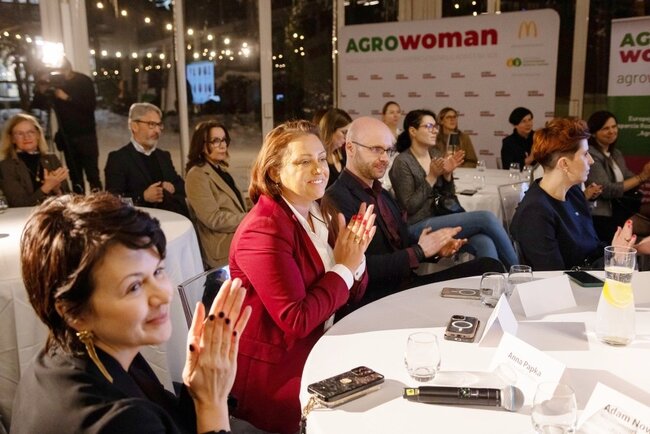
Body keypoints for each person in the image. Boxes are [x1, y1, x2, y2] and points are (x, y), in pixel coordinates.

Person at [11, 193, 252, 434]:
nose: (163, 295)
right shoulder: (115, 420)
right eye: (134, 286)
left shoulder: (71, 351)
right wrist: (212, 402)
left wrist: (198, 391)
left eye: (158, 271)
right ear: (74, 313)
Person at [228, 120, 375, 433]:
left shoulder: (319, 210)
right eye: (303, 162)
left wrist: (355, 259)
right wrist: (344, 267)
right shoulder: (264, 228)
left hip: (324, 343)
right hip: (280, 371)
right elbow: (297, 319)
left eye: (321, 158)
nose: (319, 169)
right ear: (274, 172)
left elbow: (351, 292)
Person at [322, 116, 505, 304]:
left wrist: (434, 248)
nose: (384, 158)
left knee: (489, 266)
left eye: (388, 150)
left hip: (407, 284)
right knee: (489, 267)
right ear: (350, 148)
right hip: (382, 297)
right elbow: (360, 268)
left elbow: (399, 242)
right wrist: (420, 251)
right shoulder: (337, 198)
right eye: (376, 149)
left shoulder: (381, 193)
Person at [511, 117, 647, 271]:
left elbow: (592, 247)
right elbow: (554, 277)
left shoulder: (573, 193)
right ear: (564, 164)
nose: (591, 161)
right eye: (585, 154)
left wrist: (626, 249)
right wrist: (614, 257)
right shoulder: (536, 213)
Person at [389, 109, 518, 268]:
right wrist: (431, 177)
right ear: (413, 131)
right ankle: (519, 271)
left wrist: (447, 176)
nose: (434, 130)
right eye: (428, 126)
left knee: (484, 241)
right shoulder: (403, 162)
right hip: (417, 225)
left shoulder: (435, 153)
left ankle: (492, 281)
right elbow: (409, 206)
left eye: (435, 126)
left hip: (441, 217)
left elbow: (448, 197)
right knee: (487, 218)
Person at [31, 58, 102, 193]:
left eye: (60, 72)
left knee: (93, 175)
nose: (59, 76)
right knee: (75, 177)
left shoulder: (83, 81)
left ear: (68, 69)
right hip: (67, 137)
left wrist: (67, 98)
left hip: (86, 136)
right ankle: (78, 203)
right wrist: (41, 88)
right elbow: (37, 106)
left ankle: (99, 202)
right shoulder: (53, 84)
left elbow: (90, 106)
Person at [105, 103, 188, 217]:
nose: (157, 130)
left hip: (170, 220)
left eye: (159, 125)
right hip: (138, 223)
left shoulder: (163, 156)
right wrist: (143, 196)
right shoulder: (118, 159)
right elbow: (112, 202)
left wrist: (172, 188)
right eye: (151, 124)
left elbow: (183, 187)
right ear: (134, 126)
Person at [185, 121, 247, 268]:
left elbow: (235, 204)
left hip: (238, 237)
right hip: (222, 248)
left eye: (224, 140)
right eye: (216, 141)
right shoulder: (196, 175)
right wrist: (250, 218)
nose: (223, 145)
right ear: (202, 145)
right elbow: (213, 219)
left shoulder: (221, 170)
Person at [585, 110, 650, 242]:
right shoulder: (591, 155)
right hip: (602, 215)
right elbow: (606, 189)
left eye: (614, 127)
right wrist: (641, 177)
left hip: (620, 210)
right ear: (594, 133)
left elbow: (629, 178)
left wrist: (645, 175)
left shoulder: (616, 153)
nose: (612, 131)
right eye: (605, 128)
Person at [0, 113, 69, 206]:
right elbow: (19, 203)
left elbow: (69, 197)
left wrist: (57, 189)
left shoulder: (51, 159)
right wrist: (47, 187)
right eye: (20, 134)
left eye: (31, 132)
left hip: (55, 212)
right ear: (12, 139)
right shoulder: (6, 166)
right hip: (25, 214)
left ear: (38, 135)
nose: (26, 137)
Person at [319, 108, 352, 188]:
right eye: (344, 132)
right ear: (330, 130)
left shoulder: (343, 154)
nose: (347, 137)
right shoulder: (318, 158)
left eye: (348, 133)